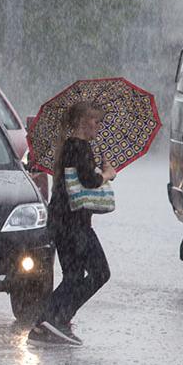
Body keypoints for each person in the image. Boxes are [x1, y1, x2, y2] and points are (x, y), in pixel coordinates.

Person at [28, 101, 117, 346]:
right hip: (73, 224)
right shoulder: (79, 147)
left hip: (64, 222)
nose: (98, 127)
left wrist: (96, 169)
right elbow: (88, 181)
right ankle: (49, 321)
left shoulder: (68, 147)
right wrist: (107, 174)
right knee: (99, 272)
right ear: (81, 121)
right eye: (95, 121)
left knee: (75, 275)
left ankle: (54, 323)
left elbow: (76, 180)